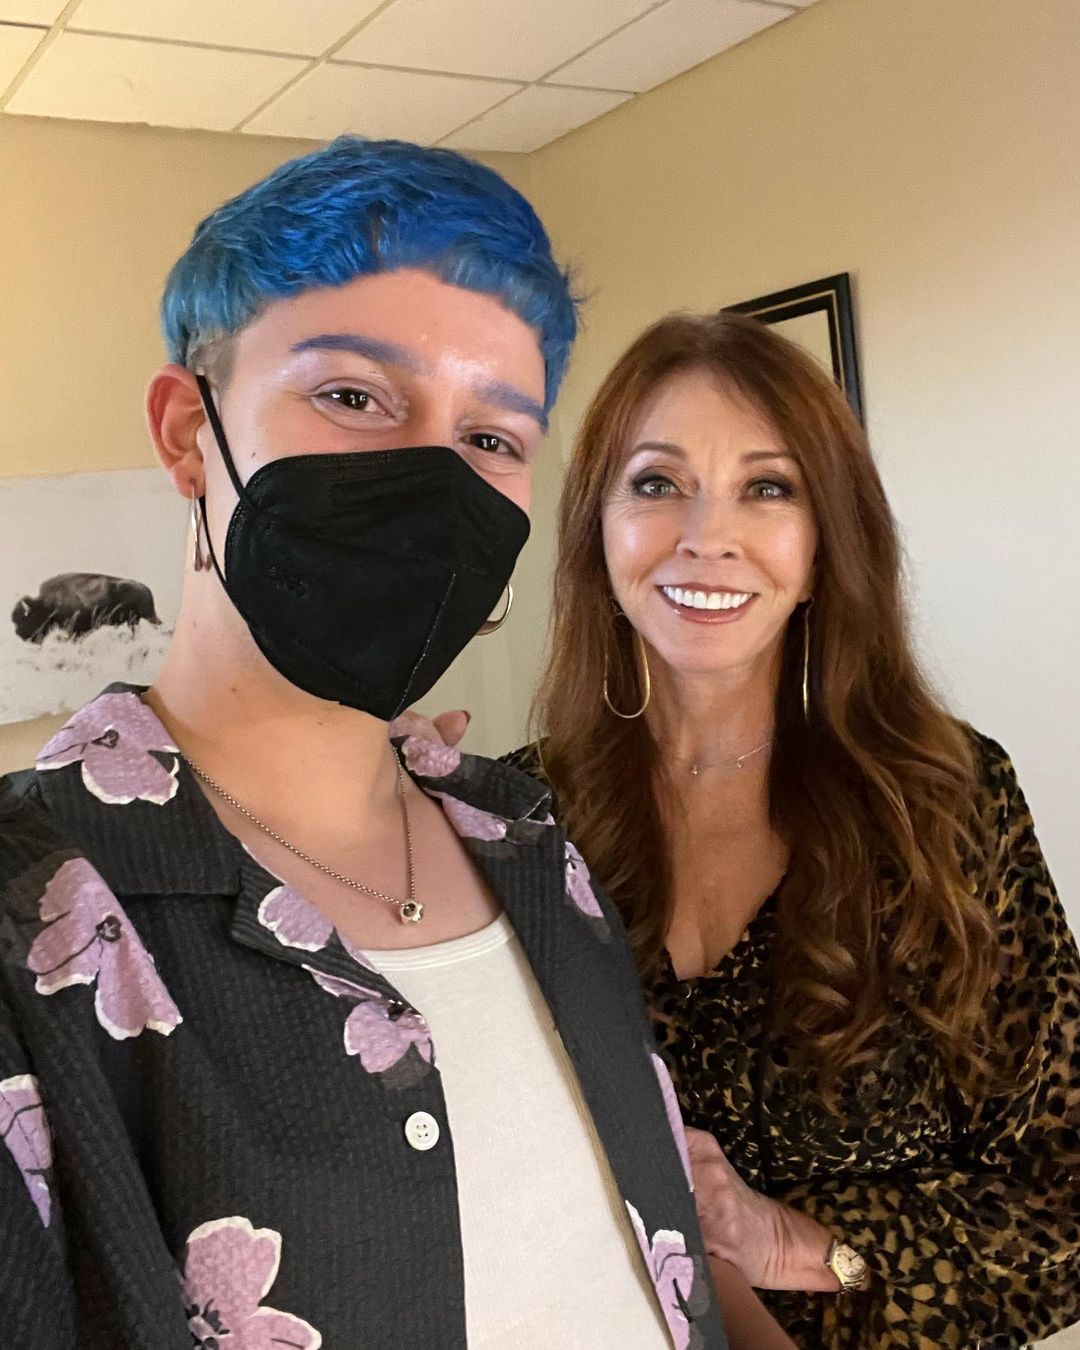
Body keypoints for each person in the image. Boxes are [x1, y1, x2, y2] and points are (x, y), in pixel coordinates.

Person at [0, 138, 770, 1349]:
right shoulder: (31, 919)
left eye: (494, 438)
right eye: (353, 397)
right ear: (189, 433)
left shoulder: (532, 841)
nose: (433, 478)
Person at [406, 310, 1080, 1349]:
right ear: (597, 532)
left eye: (767, 488)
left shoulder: (947, 798)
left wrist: (792, 1243)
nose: (705, 536)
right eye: (656, 483)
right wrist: (370, 823)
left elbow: (1063, 1200)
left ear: (825, 542)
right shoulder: (516, 822)